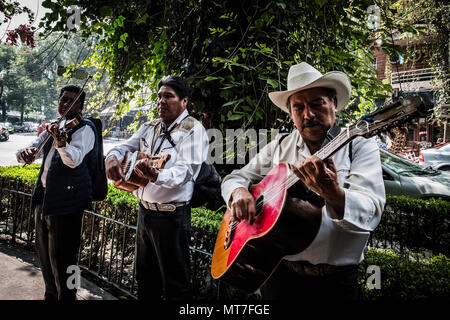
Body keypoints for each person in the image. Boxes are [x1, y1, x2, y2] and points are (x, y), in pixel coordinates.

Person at [221, 62, 386, 300]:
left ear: (334, 104)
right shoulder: (280, 146)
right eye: (299, 107)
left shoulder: (358, 145)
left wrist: (334, 194)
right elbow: (235, 177)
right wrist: (238, 192)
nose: (308, 114)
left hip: (336, 284)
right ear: (291, 114)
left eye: (317, 103)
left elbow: (372, 211)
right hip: (280, 278)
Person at [105, 76, 209, 300]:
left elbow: (185, 172)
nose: (161, 101)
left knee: (176, 286)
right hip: (145, 213)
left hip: (173, 217)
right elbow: (125, 146)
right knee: (145, 280)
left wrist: (157, 175)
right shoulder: (149, 126)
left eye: (168, 96)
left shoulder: (194, 129)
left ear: (184, 101)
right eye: (159, 96)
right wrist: (112, 157)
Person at [16, 85, 98, 300]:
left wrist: (62, 143)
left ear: (80, 106)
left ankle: (69, 297)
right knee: (45, 257)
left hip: (68, 204)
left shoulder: (86, 129)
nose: (65, 104)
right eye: (63, 99)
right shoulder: (54, 125)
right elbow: (34, 146)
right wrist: (24, 153)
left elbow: (73, 161)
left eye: (72, 101)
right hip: (45, 199)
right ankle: (51, 295)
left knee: (67, 260)